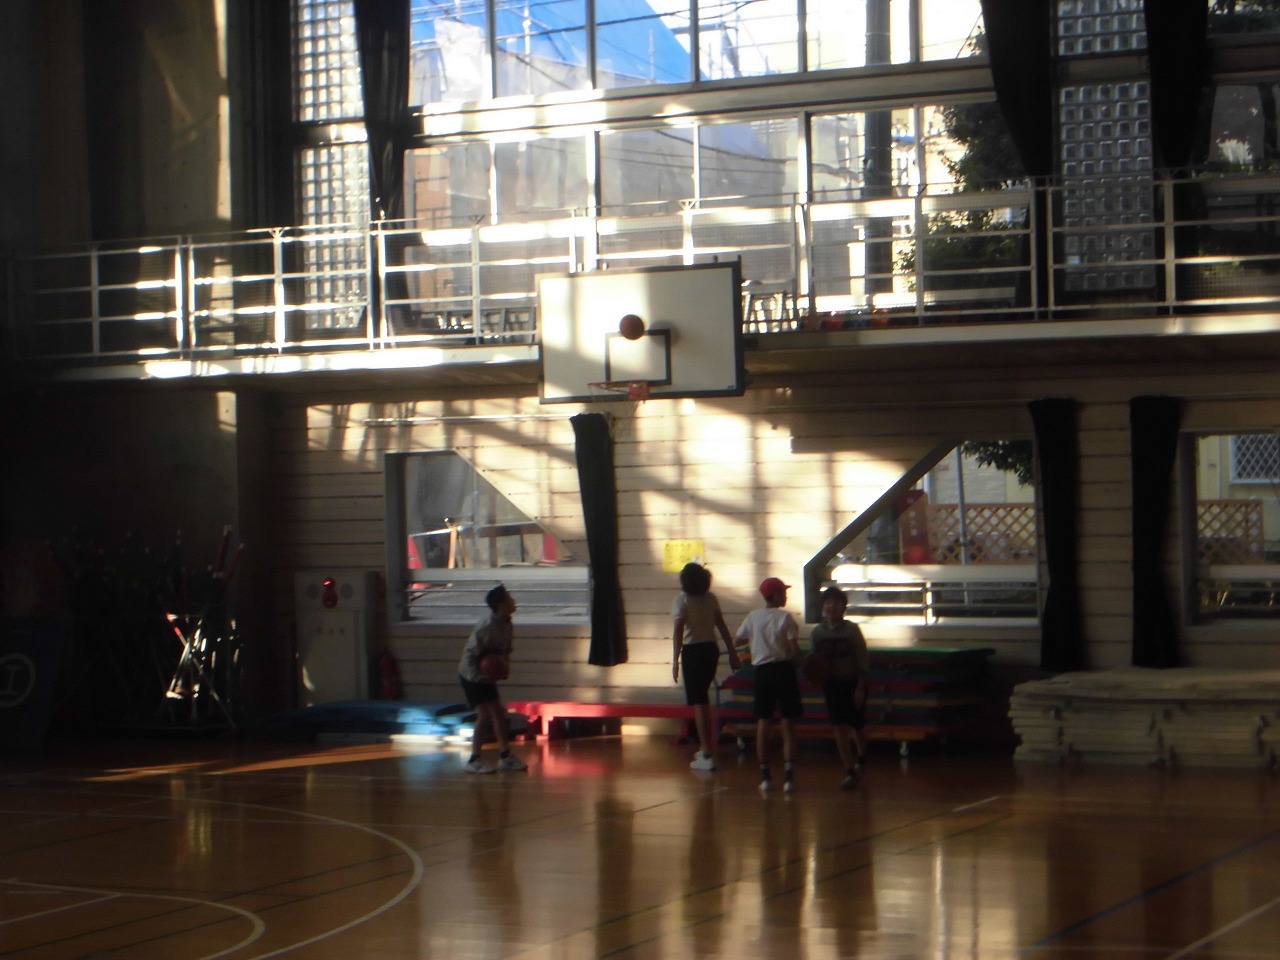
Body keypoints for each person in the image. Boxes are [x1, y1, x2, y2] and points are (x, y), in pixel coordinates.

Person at [672, 562, 742, 771]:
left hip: (693, 651)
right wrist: (732, 652)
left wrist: (675, 660)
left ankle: (707, 752)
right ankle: (706, 748)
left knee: (699, 703)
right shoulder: (710, 598)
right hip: (711, 650)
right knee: (703, 698)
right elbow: (722, 626)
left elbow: (678, 632)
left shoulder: (681, 600)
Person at [735, 576, 802, 793]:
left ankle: (765, 777)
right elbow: (794, 650)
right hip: (784, 671)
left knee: (763, 723)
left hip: (762, 673)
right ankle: (789, 778)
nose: (786, 596)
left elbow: (738, 640)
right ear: (775, 595)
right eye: (783, 592)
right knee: (788, 724)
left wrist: (757, 641)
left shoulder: (753, 616)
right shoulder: (785, 617)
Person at [458, 584, 528, 774]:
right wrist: (478, 676)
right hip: (471, 674)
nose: (514, 601)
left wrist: (503, 668)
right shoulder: (487, 626)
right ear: (501, 605)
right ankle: (474, 759)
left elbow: (504, 651)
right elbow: (470, 653)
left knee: (497, 713)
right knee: (486, 714)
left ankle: (505, 757)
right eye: (509, 598)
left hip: (484, 676)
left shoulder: (507, 623)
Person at [808, 586, 870, 789]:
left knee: (857, 727)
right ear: (823, 607)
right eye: (828, 602)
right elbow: (814, 662)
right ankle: (849, 770)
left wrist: (860, 688)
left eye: (836, 602)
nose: (832, 606)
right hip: (831, 685)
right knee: (838, 727)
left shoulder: (852, 630)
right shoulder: (817, 633)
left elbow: (863, 661)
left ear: (843, 607)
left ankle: (862, 759)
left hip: (852, 682)